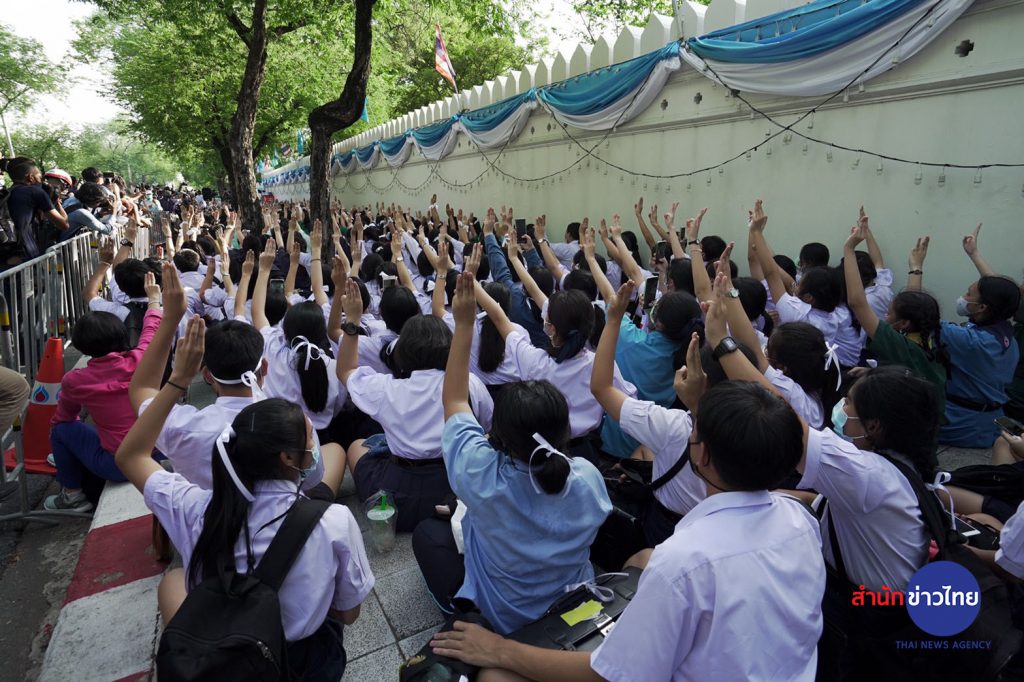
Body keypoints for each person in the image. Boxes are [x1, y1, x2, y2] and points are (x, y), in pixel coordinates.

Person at [430, 298, 824, 680]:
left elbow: (609, 672)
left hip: (545, 631)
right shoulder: (802, 521)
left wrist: (498, 649)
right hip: (586, 601)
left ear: (702, 454)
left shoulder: (681, 563)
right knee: (643, 557)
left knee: (493, 674)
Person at [115, 318, 373, 680]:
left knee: (172, 583)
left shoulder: (194, 508)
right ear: (289, 458)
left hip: (227, 647)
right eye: (308, 442)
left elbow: (130, 454)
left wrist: (177, 376)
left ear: (206, 374)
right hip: (305, 664)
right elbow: (348, 613)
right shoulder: (335, 521)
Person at [413, 272, 611, 632]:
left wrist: (463, 325)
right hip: (573, 605)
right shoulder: (588, 477)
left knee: (428, 535)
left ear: (496, 435)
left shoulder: (481, 475)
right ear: (565, 431)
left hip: (505, 618)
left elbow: (455, 400)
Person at [129, 264, 343, 497]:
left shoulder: (181, 427)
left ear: (207, 375)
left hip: (215, 516)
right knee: (335, 450)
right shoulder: (298, 423)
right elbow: (311, 480)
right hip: (288, 512)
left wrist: (170, 322)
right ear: (264, 367)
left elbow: (142, 389)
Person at [335, 278, 494, 532]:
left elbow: (345, 370)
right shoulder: (470, 384)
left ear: (401, 352)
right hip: (456, 491)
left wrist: (353, 321)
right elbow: (485, 424)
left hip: (399, 501)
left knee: (356, 446)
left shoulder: (386, 388)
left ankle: (379, 507)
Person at [45, 270, 164, 511]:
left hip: (119, 465)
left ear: (82, 346)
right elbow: (151, 329)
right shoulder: (140, 359)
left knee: (60, 431)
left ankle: (71, 494)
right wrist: (154, 299)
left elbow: (65, 418)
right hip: (160, 451)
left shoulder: (75, 380)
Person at [842, 226, 947, 427]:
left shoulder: (902, 346)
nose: (885, 316)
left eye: (889, 313)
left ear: (904, 323)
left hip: (912, 429)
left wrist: (849, 249)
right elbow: (913, 304)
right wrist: (916, 268)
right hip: (927, 422)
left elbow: (857, 302)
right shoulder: (929, 334)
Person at [936, 224, 1021, 447]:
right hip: (988, 424)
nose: (963, 297)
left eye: (968, 294)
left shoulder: (970, 341)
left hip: (960, 425)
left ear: (982, 307)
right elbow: (1002, 294)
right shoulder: (1007, 336)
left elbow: (916, 313)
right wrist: (974, 254)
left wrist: (915, 270)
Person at [3, 159, 68, 262]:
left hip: (6, 254)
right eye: (39, 176)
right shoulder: (35, 191)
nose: (42, 180)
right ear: (30, 177)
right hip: (25, 255)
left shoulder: (6, 193)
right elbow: (64, 225)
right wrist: (57, 204)